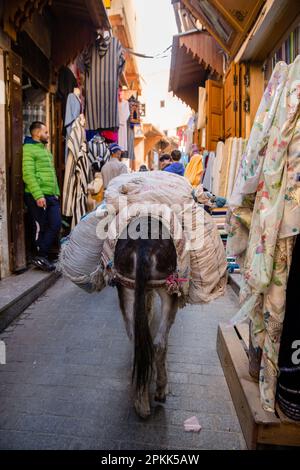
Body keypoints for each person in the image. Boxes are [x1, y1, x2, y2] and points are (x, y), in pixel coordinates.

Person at [23, 121, 61, 271]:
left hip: (51, 195)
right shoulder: (28, 149)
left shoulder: (44, 150)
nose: (48, 136)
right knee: (43, 226)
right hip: (37, 195)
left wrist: (56, 193)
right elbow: (28, 174)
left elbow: (51, 174)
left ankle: (41, 255)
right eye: (46, 133)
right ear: (38, 133)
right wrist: (38, 195)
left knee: (55, 224)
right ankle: (41, 255)